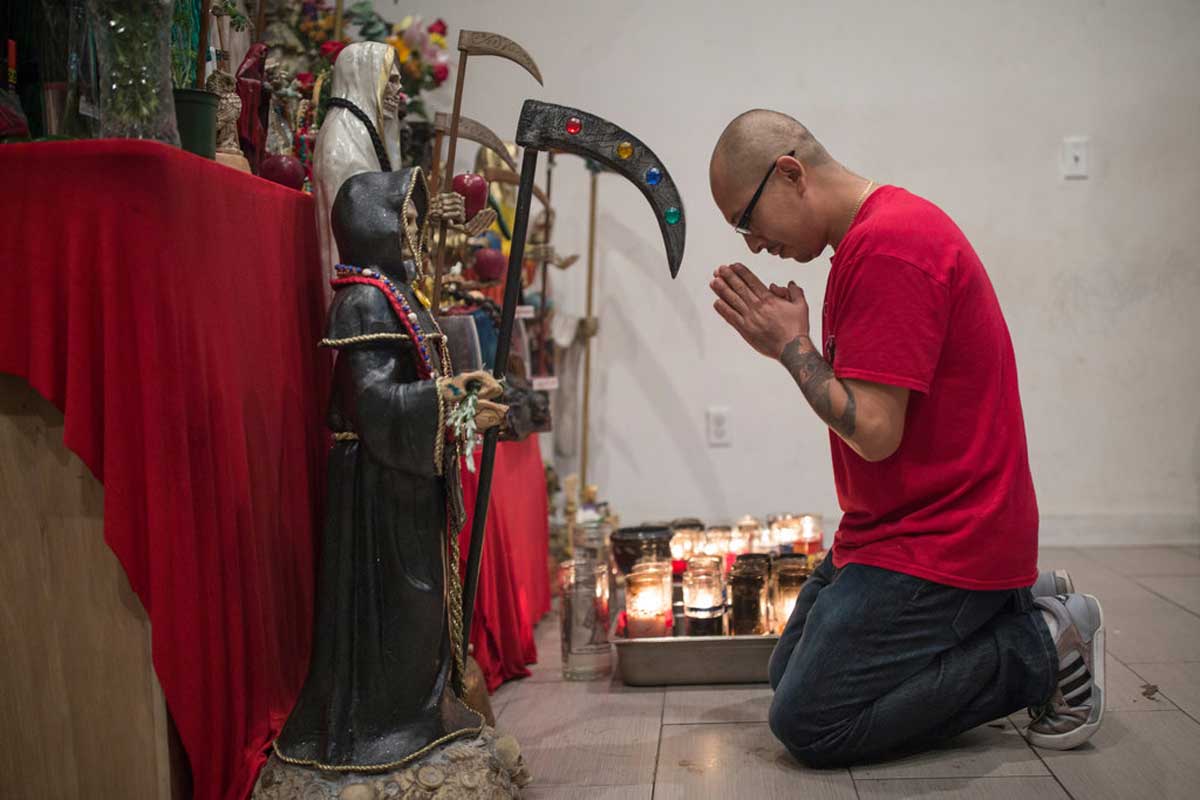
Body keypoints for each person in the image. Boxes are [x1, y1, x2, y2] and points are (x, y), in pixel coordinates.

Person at [707, 109, 1105, 767]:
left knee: (810, 722)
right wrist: (794, 346)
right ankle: (1009, 601)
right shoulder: (867, 243)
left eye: (747, 221)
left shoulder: (890, 246)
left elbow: (875, 434)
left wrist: (791, 348)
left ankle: (1039, 643)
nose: (753, 245)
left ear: (789, 173)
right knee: (789, 678)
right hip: (894, 530)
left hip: (947, 537)